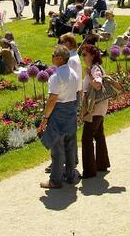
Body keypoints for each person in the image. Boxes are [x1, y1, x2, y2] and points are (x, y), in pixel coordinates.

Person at [39, 45, 80, 189]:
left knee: (57, 149)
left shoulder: (56, 77)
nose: (51, 57)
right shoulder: (74, 74)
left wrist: (45, 118)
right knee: (70, 146)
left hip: (59, 113)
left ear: (60, 58)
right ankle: (70, 175)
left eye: (53, 54)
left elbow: (52, 99)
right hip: (71, 110)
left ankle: (55, 180)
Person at [79, 44, 111, 178]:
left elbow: (98, 85)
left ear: (93, 55)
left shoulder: (95, 69)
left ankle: (90, 170)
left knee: (86, 138)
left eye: (85, 54)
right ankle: (102, 164)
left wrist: (88, 75)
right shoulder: (95, 68)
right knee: (98, 135)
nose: (83, 57)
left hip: (94, 109)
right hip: (99, 107)